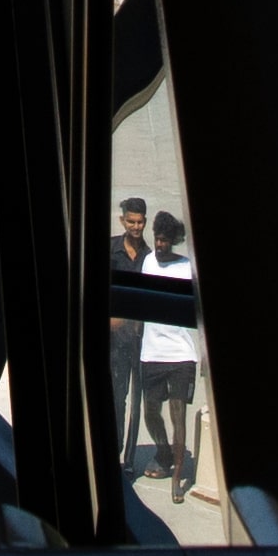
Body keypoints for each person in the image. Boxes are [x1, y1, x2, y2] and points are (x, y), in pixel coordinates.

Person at [138, 210, 203, 497]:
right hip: (151, 354)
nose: (160, 245)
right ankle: (164, 451)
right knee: (150, 412)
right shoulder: (148, 261)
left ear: (174, 240)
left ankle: (177, 477)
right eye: (157, 239)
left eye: (165, 240)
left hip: (181, 356)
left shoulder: (187, 268)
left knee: (178, 416)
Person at [108, 193, 157, 477]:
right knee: (117, 399)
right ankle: (113, 452)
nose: (136, 227)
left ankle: (129, 461)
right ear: (122, 221)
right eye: (131, 222)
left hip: (141, 341)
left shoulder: (151, 257)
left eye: (140, 222)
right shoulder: (111, 250)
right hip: (116, 343)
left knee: (138, 403)